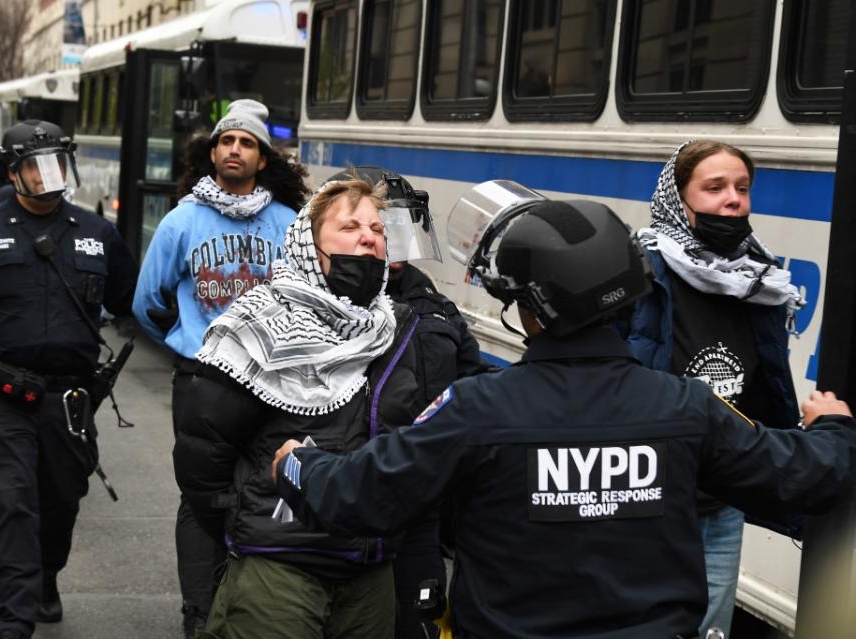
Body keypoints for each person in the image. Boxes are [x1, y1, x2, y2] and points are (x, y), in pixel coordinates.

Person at [269, 188, 856, 639]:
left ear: (533, 308)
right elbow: (803, 473)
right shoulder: (684, 405)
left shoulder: (479, 409)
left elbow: (358, 495)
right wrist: (831, 425)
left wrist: (298, 464)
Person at [172, 176, 423, 639]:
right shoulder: (255, 326)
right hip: (278, 571)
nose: (368, 237)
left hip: (369, 569)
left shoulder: (395, 331)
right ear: (308, 244)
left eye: (377, 229)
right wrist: (246, 521)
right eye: (349, 227)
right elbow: (202, 459)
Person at [0, 120, 138, 639]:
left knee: (61, 501)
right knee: (13, 502)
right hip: (3, 395)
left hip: (70, 400)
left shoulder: (97, 234)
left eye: (55, 165)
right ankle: (14, 619)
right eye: (34, 168)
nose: (46, 177)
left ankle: (45, 578)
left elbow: (136, 304)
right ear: (11, 173)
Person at [132, 99, 308, 638]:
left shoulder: (288, 223)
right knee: (202, 496)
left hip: (272, 381)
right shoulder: (182, 219)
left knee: (266, 489)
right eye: (226, 141)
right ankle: (199, 610)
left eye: (247, 143)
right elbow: (146, 301)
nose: (234, 149)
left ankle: (250, 603)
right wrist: (191, 345)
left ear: (262, 159)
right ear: (212, 153)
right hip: (203, 382)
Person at [622, 140, 804, 637]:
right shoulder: (641, 269)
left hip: (721, 499)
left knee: (710, 630)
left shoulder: (756, 281)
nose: (733, 201)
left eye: (742, 189)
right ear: (678, 199)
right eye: (715, 187)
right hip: (645, 496)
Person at [328, 165, 489, 639]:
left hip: (417, 511)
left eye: (394, 227)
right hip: (338, 506)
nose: (386, 245)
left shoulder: (435, 308)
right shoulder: (303, 308)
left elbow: (474, 390)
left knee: (421, 624)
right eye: (374, 228)